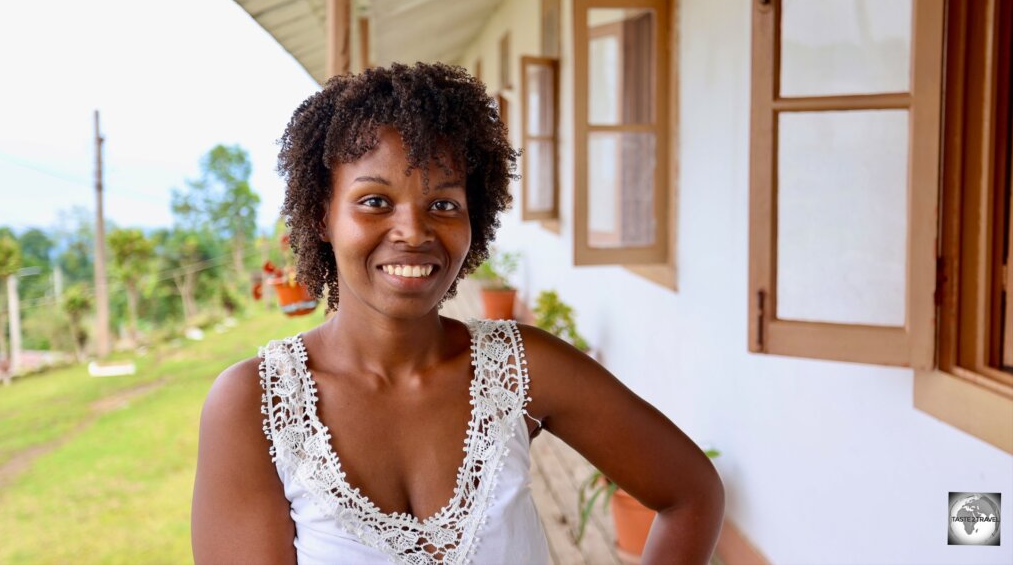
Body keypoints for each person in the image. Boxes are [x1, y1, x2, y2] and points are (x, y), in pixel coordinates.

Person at [191, 63, 724, 565]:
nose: (414, 232)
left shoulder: (519, 369)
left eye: (443, 205)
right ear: (321, 216)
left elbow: (690, 494)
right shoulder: (255, 405)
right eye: (375, 201)